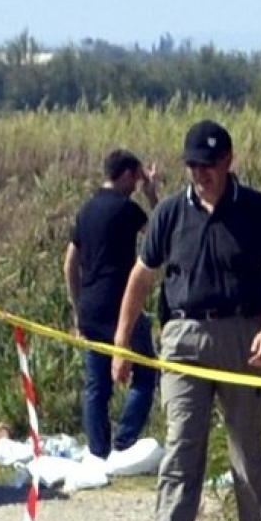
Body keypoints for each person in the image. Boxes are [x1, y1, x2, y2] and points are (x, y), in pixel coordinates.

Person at [112, 119, 261, 521]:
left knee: (247, 445)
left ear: (228, 162)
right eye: (193, 166)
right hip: (183, 338)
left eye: (209, 165)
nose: (201, 174)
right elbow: (141, 277)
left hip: (243, 336)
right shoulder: (170, 213)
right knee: (183, 439)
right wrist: (121, 343)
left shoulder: (256, 210)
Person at [64, 148, 160, 462]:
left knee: (96, 385)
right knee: (146, 374)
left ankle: (97, 451)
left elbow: (69, 262)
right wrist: (152, 193)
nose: (137, 184)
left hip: (91, 308)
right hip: (121, 309)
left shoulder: (86, 210)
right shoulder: (127, 210)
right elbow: (163, 234)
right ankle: (124, 441)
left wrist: (77, 308)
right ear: (128, 175)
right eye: (137, 178)